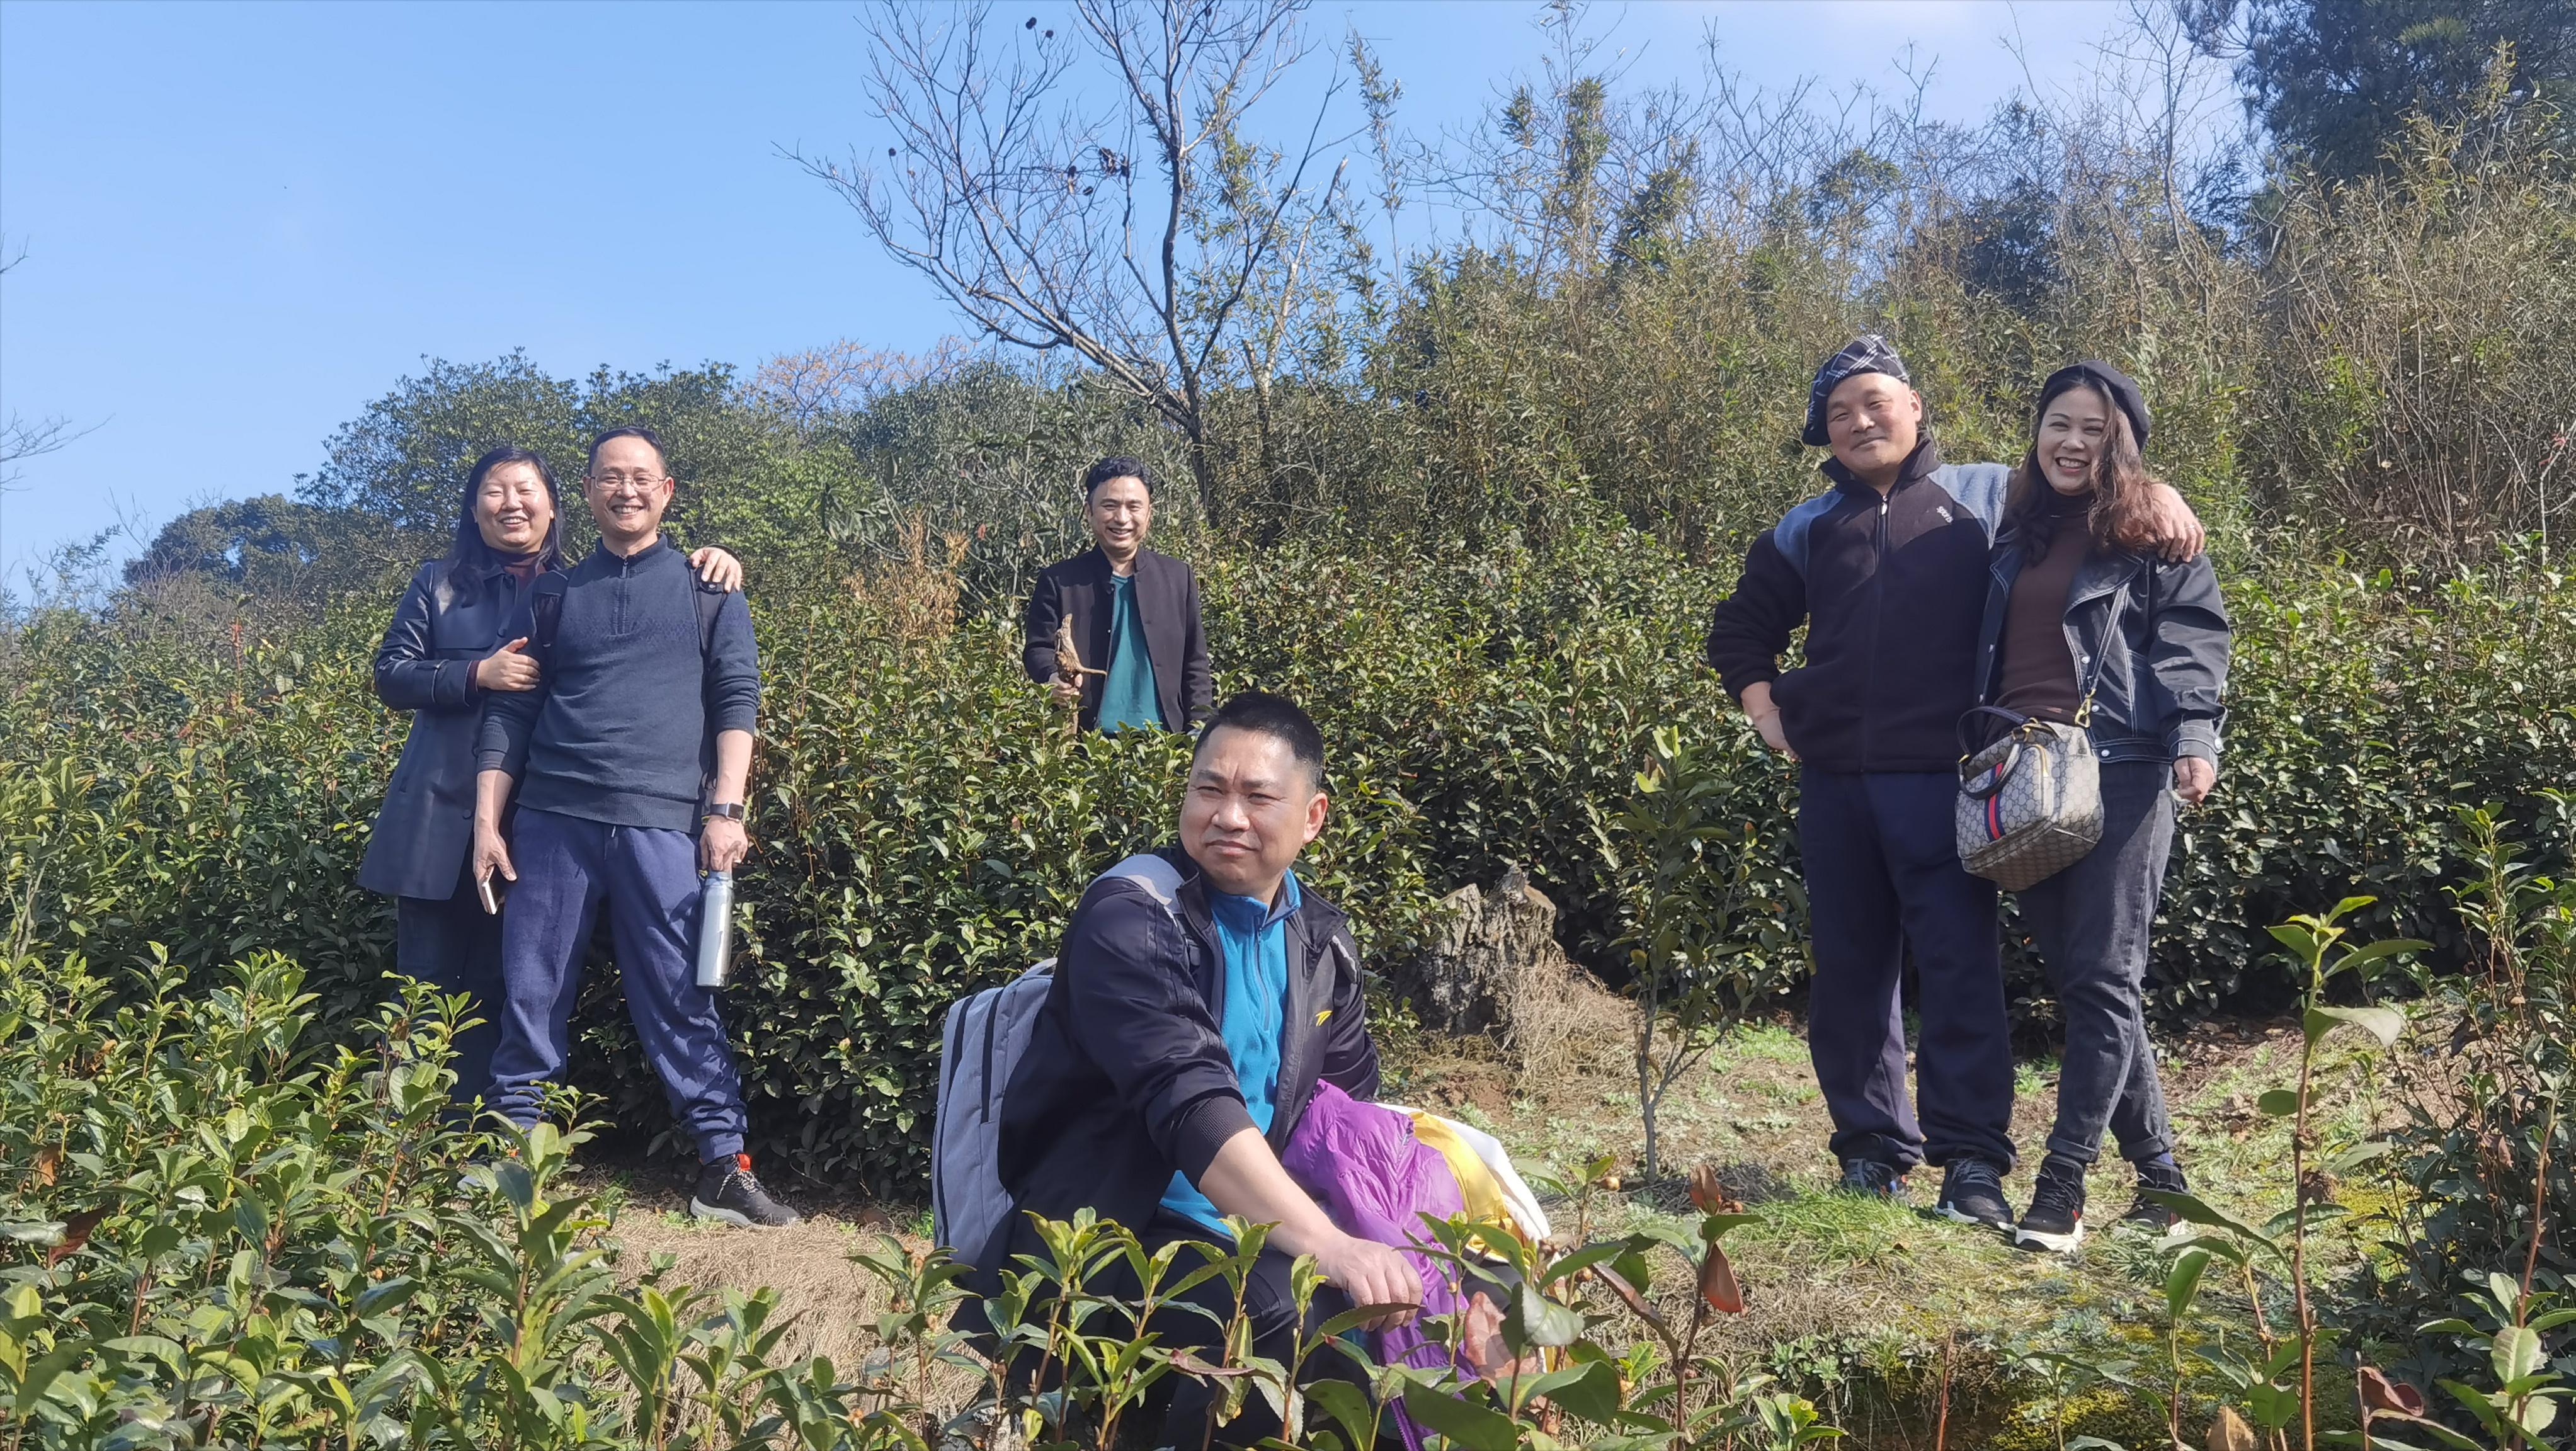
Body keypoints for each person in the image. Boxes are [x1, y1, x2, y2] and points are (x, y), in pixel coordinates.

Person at [1704, 335, 2205, 1230]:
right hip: (1835, 784)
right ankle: (1871, 1154)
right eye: (1838, 413)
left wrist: (2153, 490)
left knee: (1959, 970)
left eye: (1874, 402)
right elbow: (1741, 625)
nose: (1859, 421)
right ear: (1823, 432)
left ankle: (1971, 1165)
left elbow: (2088, 504)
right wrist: (1765, 709)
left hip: (1953, 780)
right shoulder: (1806, 525)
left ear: (1914, 405)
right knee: (1852, 973)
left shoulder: (1985, 497)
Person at [965, 691, 1420, 1445]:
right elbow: (1188, 1100)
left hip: (1256, 1223)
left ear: (1312, 818)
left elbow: (1348, 1118)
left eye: (1257, 796)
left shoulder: (1320, 942)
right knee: (1286, 1316)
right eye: (1209, 788)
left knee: (1447, 1296)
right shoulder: (1132, 915)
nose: (1228, 815)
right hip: (1111, 1230)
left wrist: (1428, 1244)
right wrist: (1329, 1245)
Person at [470, 425, 797, 1227]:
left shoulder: (708, 587)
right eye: (609, 478)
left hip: (664, 825)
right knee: (531, 994)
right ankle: (516, 1159)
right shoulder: (552, 597)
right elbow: (509, 718)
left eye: (641, 478)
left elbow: (736, 699)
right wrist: (487, 823)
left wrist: (727, 808)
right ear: (586, 492)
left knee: (682, 997)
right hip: (553, 820)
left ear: (667, 490)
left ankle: (722, 1168)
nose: (626, 490)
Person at [358, 445, 738, 1103]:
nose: (511, 504)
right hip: (442, 816)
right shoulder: (441, 582)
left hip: (538, 820)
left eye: (525, 490)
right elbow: (391, 675)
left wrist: (716, 560)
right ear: (473, 509)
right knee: (425, 984)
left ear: (557, 505)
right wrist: (477, 673)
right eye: (494, 492)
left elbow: (694, 657)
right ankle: (402, 1147)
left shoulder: (572, 586)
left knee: (514, 987)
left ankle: (476, 1140)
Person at [1970, 362, 2227, 1253]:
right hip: (2018, 776)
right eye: (2056, 424)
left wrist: (2195, 738)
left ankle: (2061, 1188)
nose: (2071, 442)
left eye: (2092, 429)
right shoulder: (2013, 528)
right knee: (2090, 983)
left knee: (2105, 979)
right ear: (2035, 432)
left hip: (2119, 767)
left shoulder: (2150, 534)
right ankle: (2163, 1183)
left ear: (2120, 442)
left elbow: (2192, 639)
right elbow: (1927, 479)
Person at [1022, 456, 1212, 733]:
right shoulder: (1059, 581)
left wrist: (1200, 728)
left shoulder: (1177, 577)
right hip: (1086, 745)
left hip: (1165, 748)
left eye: (1134, 507)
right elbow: (1038, 648)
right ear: (1089, 511)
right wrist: (1052, 677)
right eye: (1109, 506)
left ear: (1149, 513)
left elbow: (1195, 663)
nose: (1122, 518)